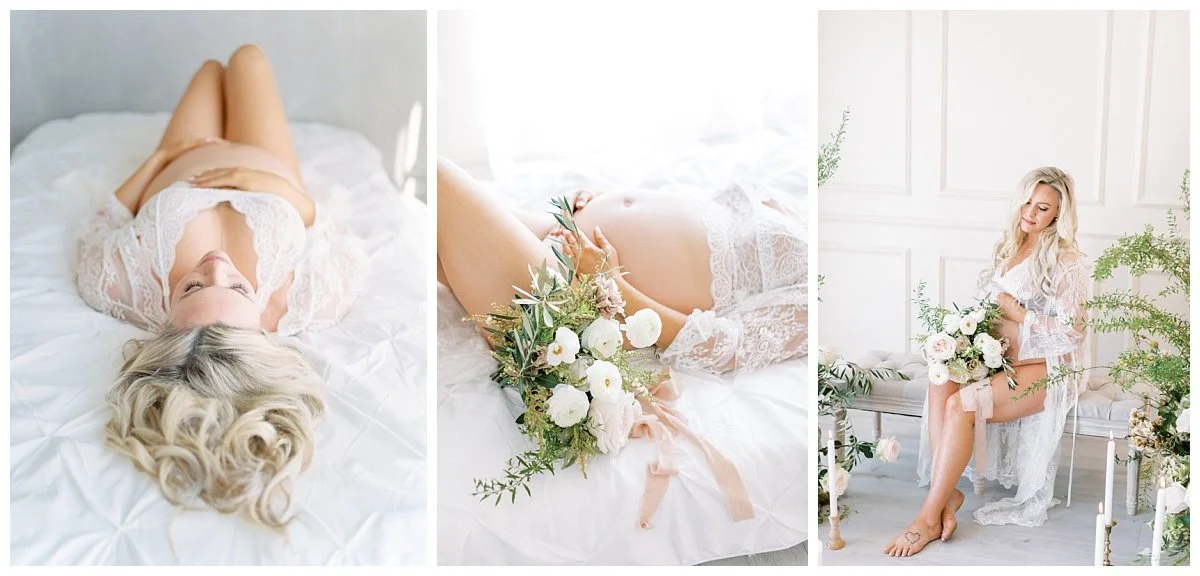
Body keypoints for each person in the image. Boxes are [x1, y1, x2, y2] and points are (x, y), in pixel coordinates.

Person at [75, 45, 368, 528]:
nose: (216, 264)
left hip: (187, 152)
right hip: (266, 160)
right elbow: (334, 229)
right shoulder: (308, 299)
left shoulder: (123, 288)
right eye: (238, 286)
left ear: (167, 317)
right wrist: (279, 190)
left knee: (212, 70)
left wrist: (159, 161)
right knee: (248, 59)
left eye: (191, 286)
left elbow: (103, 220)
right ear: (260, 325)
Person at [436, 158, 808, 374]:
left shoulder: (817, 292)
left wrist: (610, 283)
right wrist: (603, 203)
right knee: (426, 226)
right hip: (562, 237)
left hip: (574, 299)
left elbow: (723, 347)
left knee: (438, 178)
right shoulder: (796, 205)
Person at [886, 167, 1090, 556]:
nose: (1029, 212)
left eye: (1042, 207)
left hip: (1051, 367)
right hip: (1006, 360)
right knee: (941, 375)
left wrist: (1020, 315)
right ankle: (946, 495)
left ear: (1057, 215)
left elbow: (1073, 333)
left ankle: (929, 516)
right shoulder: (1012, 246)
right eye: (1027, 202)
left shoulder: (1066, 261)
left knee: (962, 404)